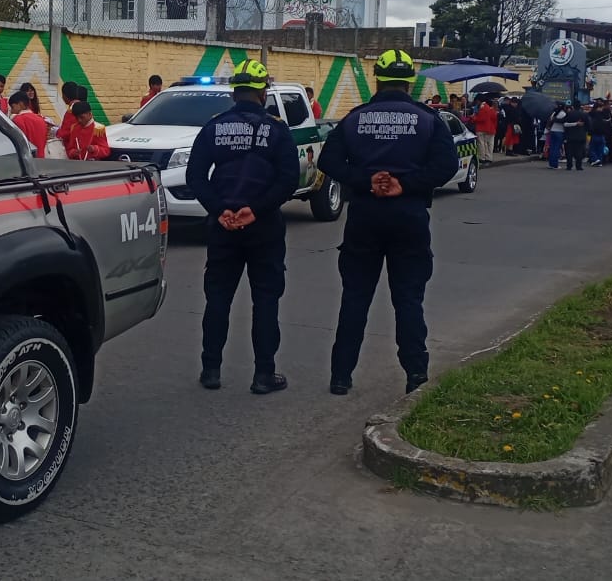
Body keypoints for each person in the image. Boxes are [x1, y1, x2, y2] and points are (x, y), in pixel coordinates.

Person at [319, 49, 459, 397]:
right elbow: (446, 166)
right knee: (408, 300)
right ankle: (415, 375)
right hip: (409, 216)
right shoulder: (428, 119)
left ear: (377, 80)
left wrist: (366, 181)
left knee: (355, 297)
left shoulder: (355, 118)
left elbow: (328, 160)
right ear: (409, 82)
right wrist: (406, 184)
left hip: (365, 217)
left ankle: (341, 376)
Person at [185, 59, 299, 395]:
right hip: (264, 227)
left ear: (235, 92)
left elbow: (195, 177)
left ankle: (211, 370)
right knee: (266, 301)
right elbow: (288, 180)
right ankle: (264, 375)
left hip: (223, 228)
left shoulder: (214, 127)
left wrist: (220, 210)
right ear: (263, 93)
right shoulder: (277, 130)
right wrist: (256, 210)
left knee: (218, 298)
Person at [8, 91, 49, 157]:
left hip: (26, 160)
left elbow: (18, 144)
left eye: (12, 107)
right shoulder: (41, 120)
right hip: (41, 158)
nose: (12, 111)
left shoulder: (17, 120)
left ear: (20, 104)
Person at [563, 102, 589, 170]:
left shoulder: (569, 114)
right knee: (579, 151)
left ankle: (569, 166)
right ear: (580, 107)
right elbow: (588, 125)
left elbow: (564, 124)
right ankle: (578, 166)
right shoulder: (584, 114)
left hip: (570, 135)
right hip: (581, 135)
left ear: (573, 107)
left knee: (569, 152)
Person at [587, 101, 612, 166]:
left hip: (595, 134)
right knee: (600, 149)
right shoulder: (605, 114)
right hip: (602, 134)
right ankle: (599, 161)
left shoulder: (592, 115)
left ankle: (595, 159)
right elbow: (608, 123)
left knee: (592, 148)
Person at [472, 97, 498, 161]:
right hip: (491, 129)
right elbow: (494, 119)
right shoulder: (492, 110)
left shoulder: (483, 107)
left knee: (481, 144)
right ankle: (489, 157)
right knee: (489, 144)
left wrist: (473, 118)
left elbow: (481, 119)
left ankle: (482, 157)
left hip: (481, 128)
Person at [546, 102, 569, 169]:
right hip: (559, 132)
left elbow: (550, 120)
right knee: (556, 148)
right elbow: (565, 123)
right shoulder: (563, 114)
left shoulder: (554, 113)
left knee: (552, 148)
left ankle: (551, 164)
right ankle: (555, 164)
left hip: (552, 131)